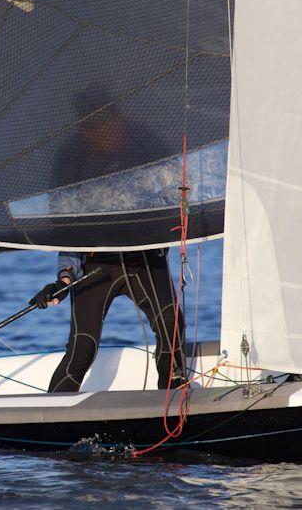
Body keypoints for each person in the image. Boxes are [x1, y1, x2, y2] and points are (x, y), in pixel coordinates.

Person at [31, 87, 186, 393]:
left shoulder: (146, 144)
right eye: (92, 129)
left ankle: (171, 399)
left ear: (119, 121)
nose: (103, 135)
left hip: (144, 259)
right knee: (82, 349)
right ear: (83, 132)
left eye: (108, 126)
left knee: (172, 326)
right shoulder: (71, 160)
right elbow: (66, 229)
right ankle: (49, 419)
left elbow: (179, 188)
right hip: (97, 265)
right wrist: (64, 279)